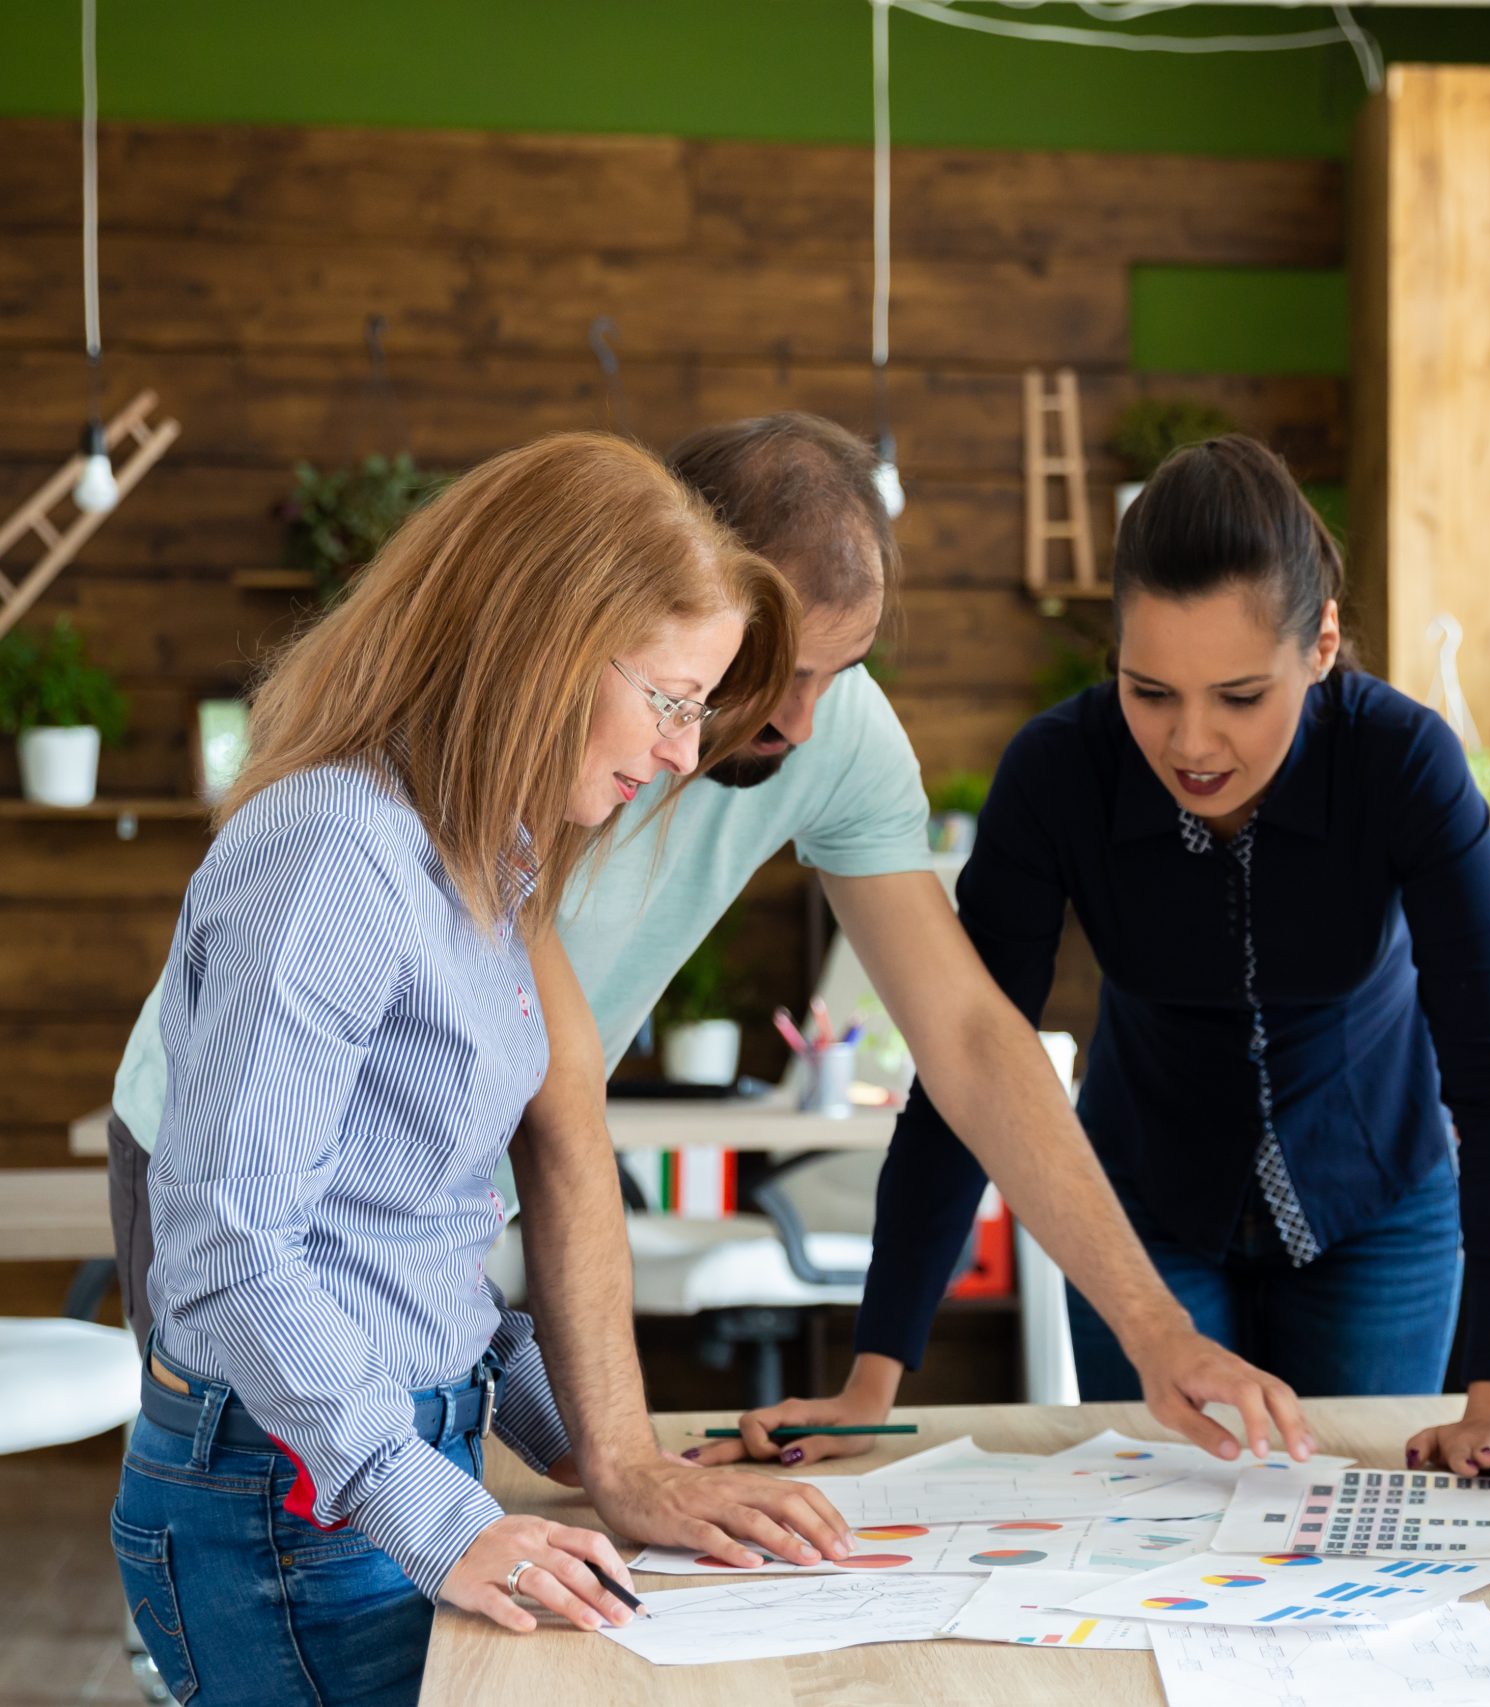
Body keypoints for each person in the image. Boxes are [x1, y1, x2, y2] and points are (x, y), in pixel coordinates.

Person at [105, 414, 1312, 1571]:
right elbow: (558, 1117)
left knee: (428, 1543)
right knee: (277, 1509)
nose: (794, 718)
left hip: (435, 1190)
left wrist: (1157, 1334)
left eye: (838, 670)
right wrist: (623, 1462)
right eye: (768, 668)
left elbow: (968, 1036)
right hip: (236, 1161)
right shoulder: (521, 746)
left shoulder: (822, 726)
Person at [703, 436, 1490, 1478]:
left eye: (1240, 697)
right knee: (1167, 1534)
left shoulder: (1404, 765)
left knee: (1348, 1528)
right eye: (1149, 692)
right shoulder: (1059, 773)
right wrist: (870, 1386)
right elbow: (965, 1062)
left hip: (1376, 1205)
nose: (1192, 743)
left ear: (1322, 644)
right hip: (1143, 1214)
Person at [113, 433, 804, 1706]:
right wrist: (431, 1509)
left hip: (370, 1471)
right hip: (292, 1508)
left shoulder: (482, 862)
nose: (679, 753)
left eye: (698, 710)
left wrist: (616, 1457)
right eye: (667, 697)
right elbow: (223, 1253)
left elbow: (408, 1247)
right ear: (541, 643)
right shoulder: (332, 849)